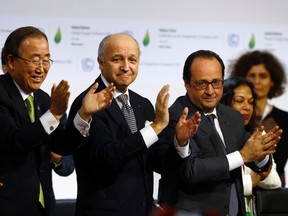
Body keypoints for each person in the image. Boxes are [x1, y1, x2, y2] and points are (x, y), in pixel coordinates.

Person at [66, 33, 199, 216]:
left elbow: (159, 162)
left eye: (132, 60)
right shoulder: (87, 104)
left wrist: (180, 143)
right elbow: (108, 157)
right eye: (117, 59)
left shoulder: (141, 104)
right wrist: (155, 127)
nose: (126, 67)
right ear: (101, 62)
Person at [0, 26, 115, 216]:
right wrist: (53, 114)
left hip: (42, 206)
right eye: (35, 60)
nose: (41, 68)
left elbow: (60, 146)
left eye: (46, 60)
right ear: (11, 61)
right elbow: (14, 142)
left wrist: (83, 115)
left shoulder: (44, 99)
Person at [157, 50, 282, 216]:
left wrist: (262, 153)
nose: (210, 91)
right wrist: (243, 156)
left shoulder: (232, 116)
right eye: (202, 83)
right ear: (186, 83)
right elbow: (192, 171)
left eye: (216, 83)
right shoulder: (176, 116)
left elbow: (256, 160)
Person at [221, 77, 281, 215]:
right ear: (224, 103)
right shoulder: (215, 134)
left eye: (251, 102)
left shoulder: (257, 135)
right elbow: (215, 185)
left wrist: (262, 176)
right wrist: (249, 182)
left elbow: (275, 181)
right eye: (239, 101)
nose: (247, 107)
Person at [229, 50, 288, 187]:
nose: (257, 81)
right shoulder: (235, 116)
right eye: (252, 76)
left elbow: (279, 161)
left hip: (271, 192)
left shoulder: (285, 119)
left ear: (272, 81)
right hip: (238, 188)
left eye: (263, 76)